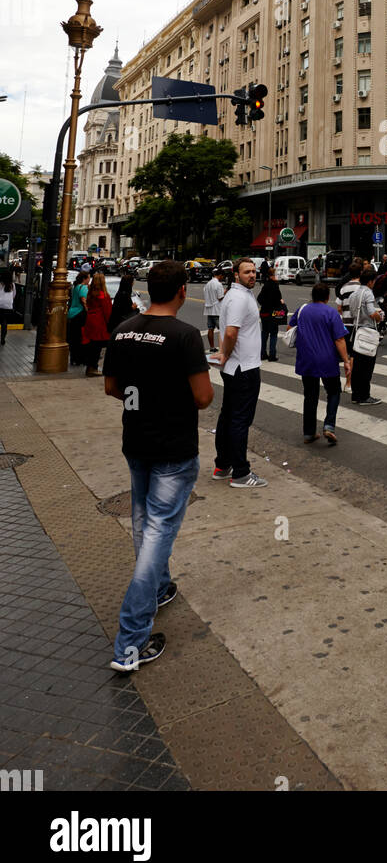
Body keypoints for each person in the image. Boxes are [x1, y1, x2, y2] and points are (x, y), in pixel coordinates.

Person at [103, 259, 213, 673]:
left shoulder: (124, 329)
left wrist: (144, 398)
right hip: (174, 447)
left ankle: (160, 588)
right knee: (158, 533)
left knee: (142, 521)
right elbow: (203, 398)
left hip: (137, 441)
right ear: (183, 291)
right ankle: (130, 642)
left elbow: (113, 387)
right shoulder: (185, 336)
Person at [213, 258, 268, 488]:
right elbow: (231, 332)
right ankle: (241, 473)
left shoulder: (239, 295)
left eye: (254, 271)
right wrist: (224, 354)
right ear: (236, 274)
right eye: (247, 272)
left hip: (237, 367)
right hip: (243, 367)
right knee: (239, 420)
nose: (252, 275)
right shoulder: (237, 298)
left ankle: (223, 465)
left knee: (229, 416)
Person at [289, 282, 351, 444]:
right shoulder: (331, 313)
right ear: (327, 297)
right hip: (327, 360)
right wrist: (346, 361)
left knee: (310, 395)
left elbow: (290, 327)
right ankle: (329, 425)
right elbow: (339, 339)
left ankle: (309, 433)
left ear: (312, 295)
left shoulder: (302, 310)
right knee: (334, 392)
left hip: (306, 359)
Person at [346, 266, 384, 405]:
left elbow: (351, 312)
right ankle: (365, 396)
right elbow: (371, 313)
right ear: (370, 282)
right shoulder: (368, 293)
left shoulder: (354, 295)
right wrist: (379, 317)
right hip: (368, 331)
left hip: (357, 331)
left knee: (358, 365)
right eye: (374, 281)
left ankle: (356, 395)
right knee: (367, 366)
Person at [82, 272, 113, 376]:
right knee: (98, 347)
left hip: (90, 321)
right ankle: (93, 367)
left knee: (92, 346)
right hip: (100, 323)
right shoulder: (104, 296)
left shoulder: (90, 294)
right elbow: (107, 312)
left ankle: (90, 367)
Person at [257, 276, 285, 361]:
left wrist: (265, 304)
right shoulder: (276, 287)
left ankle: (262, 353)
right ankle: (272, 355)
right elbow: (279, 299)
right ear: (272, 276)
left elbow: (259, 298)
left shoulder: (265, 286)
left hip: (264, 312)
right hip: (273, 313)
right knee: (273, 334)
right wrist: (280, 302)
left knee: (264, 333)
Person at [66, 269, 90, 364]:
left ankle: (73, 358)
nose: (89, 279)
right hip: (80, 315)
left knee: (73, 338)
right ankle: (80, 358)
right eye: (88, 278)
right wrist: (88, 310)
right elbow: (84, 300)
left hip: (72, 313)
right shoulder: (83, 287)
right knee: (80, 338)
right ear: (84, 279)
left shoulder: (75, 287)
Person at [203, 268, 225, 353]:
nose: (222, 278)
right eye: (222, 276)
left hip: (209, 309)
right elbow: (220, 297)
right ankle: (223, 347)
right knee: (222, 329)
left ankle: (212, 347)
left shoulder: (208, 284)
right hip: (217, 310)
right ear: (220, 275)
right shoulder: (218, 284)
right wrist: (225, 293)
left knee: (210, 329)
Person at [0, 268, 14, 346]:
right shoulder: (12, 285)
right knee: (4, 323)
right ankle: (2, 339)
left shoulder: (0, 284)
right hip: (8, 307)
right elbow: (14, 295)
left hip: (0, 305)